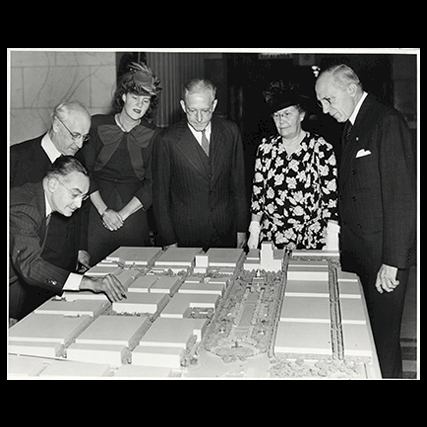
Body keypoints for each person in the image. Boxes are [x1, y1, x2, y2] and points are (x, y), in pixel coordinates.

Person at [315, 64, 416, 378]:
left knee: (383, 345)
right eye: (320, 103)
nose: (324, 109)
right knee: (365, 341)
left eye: (328, 100)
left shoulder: (386, 121)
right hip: (360, 256)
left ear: (351, 88)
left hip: (382, 261)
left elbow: (402, 197)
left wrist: (393, 261)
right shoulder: (351, 125)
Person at [9, 157, 126, 321]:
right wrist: (90, 283)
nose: (78, 204)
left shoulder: (38, 201)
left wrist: (11, 314)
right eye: (74, 194)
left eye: (83, 197)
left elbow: (16, 268)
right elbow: (31, 266)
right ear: (53, 184)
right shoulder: (24, 208)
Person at [153, 78, 248, 250]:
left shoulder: (230, 132)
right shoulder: (167, 139)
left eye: (205, 111)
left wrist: (241, 229)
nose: (198, 118)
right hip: (185, 233)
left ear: (214, 105)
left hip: (226, 230)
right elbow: (160, 196)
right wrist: (168, 239)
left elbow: (239, 185)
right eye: (192, 110)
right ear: (183, 106)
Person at [81, 62, 162, 265]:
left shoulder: (155, 135)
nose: (139, 105)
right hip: (96, 209)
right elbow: (84, 172)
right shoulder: (97, 125)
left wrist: (122, 215)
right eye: (135, 98)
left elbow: (153, 183)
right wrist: (105, 211)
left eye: (145, 101)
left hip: (133, 212)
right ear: (124, 96)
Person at [248, 83, 338, 251]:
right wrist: (254, 228)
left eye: (287, 114)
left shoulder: (321, 148)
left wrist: (332, 236)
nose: (282, 121)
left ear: (301, 115)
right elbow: (258, 192)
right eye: (277, 115)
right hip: (271, 237)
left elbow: (330, 199)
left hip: (311, 237)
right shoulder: (266, 147)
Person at [10, 100, 92, 273]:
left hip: (66, 261)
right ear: (56, 125)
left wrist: (80, 247)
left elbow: (83, 209)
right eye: (75, 135)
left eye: (84, 137)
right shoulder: (16, 158)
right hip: (29, 264)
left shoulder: (78, 159)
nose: (80, 144)